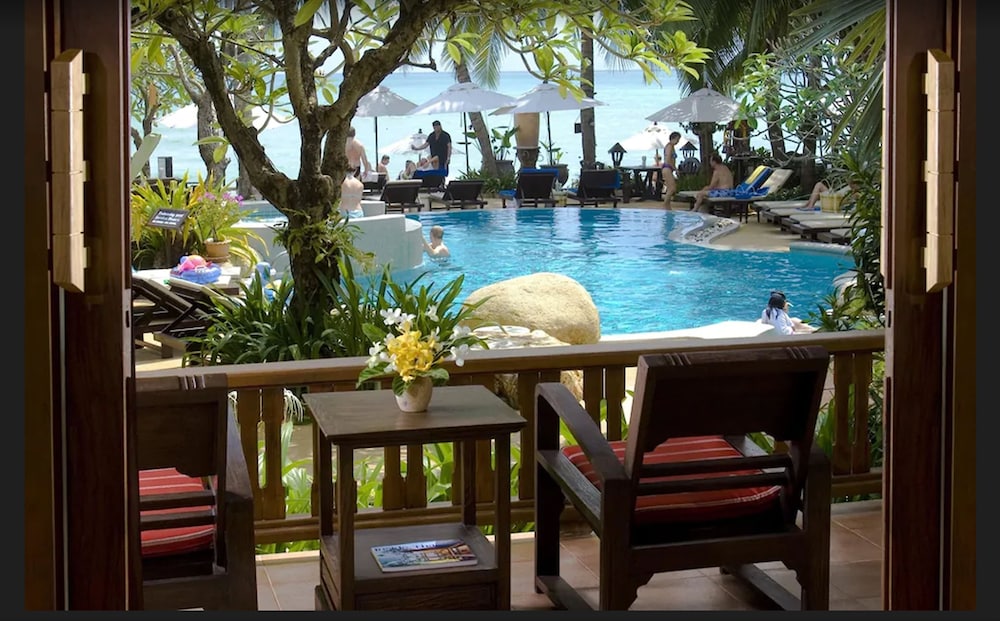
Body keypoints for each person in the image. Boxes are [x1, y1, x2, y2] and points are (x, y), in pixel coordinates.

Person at [660, 131, 681, 208]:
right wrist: (675, 169)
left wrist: (675, 169)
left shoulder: (672, 147)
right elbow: (668, 159)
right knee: (672, 188)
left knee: (670, 188)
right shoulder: (669, 146)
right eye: (677, 139)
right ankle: (665, 205)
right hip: (667, 168)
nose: (678, 141)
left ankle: (667, 205)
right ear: (673, 138)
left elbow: (672, 159)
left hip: (669, 168)